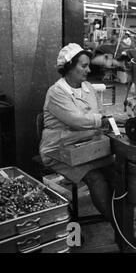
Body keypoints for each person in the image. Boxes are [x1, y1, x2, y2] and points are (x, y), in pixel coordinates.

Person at [39, 43, 116, 227]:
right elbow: (77, 120)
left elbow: (95, 115)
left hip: (86, 147)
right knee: (95, 177)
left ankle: (125, 216)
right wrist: (105, 120)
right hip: (58, 151)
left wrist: (112, 126)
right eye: (84, 66)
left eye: (89, 65)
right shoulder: (56, 92)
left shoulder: (88, 87)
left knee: (117, 171)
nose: (88, 70)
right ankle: (119, 225)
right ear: (69, 67)